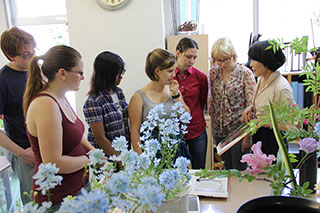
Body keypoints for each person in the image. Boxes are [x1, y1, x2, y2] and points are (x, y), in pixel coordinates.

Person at [23, 45, 95, 208]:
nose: (83, 78)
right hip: (59, 198)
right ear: (62, 73)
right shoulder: (45, 105)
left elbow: (75, 136)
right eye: (79, 72)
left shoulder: (60, 98)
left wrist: (94, 152)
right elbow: (54, 163)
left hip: (78, 188)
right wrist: (88, 159)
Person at [129, 48, 190, 155]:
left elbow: (186, 117)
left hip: (174, 150)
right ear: (157, 71)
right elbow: (135, 131)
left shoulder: (173, 91)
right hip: (151, 152)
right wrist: (141, 159)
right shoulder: (138, 97)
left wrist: (176, 96)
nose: (174, 75)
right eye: (170, 71)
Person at [0, 27, 36, 204]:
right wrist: (22, 154)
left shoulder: (36, 72)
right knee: (36, 204)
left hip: (44, 147)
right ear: (10, 55)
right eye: (26, 54)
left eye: (33, 51)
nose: (31, 57)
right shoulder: (3, 81)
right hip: (24, 151)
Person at [209, 37, 256, 170]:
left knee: (240, 170)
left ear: (233, 56)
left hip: (239, 131)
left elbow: (251, 106)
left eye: (226, 59)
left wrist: (248, 136)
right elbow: (212, 103)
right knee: (226, 169)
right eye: (219, 60)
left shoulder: (245, 73)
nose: (222, 64)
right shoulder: (213, 74)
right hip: (219, 130)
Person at [241, 40, 294, 156]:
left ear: (265, 61)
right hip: (259, 137)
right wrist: (251, 107)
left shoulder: (281, 88)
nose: (251, 64)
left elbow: (293, 126)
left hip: (274, 141)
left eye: (254, 60)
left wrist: (266, 123)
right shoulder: (261, 79)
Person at [83, 51, 130, 157]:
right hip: (104, 157)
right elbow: (100, 138)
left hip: (122, 151)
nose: (121, 77)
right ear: (108, 75)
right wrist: (118, 159)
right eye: (118, 74)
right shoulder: (93, 101)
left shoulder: (119, 92)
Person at [174, 37, 208, 169]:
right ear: (178, 53)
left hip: (196, 130)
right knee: (177, 172)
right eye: (188, 56)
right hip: (175, 131)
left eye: (195, 57)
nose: (192, 61)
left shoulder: (201, 77)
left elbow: (202, 101)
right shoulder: (168, 77)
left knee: (199, 170)